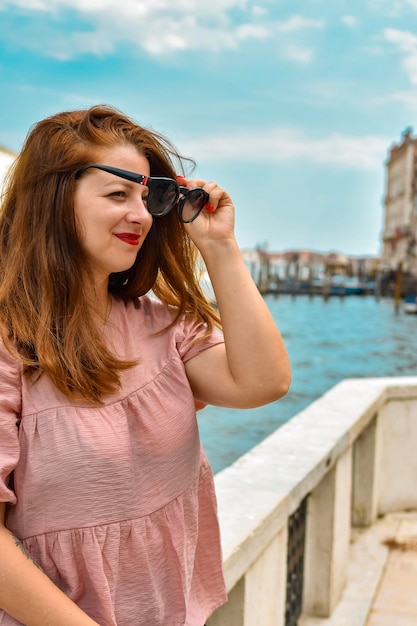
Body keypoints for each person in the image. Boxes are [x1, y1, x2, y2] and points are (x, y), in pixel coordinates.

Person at [0, 105, 291, 626]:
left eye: (146, 197)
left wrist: (220, 247)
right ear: (52, 202)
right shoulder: (9, 344)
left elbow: (263, 381)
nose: (140, 214)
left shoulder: (163, 326)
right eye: (117, 194)